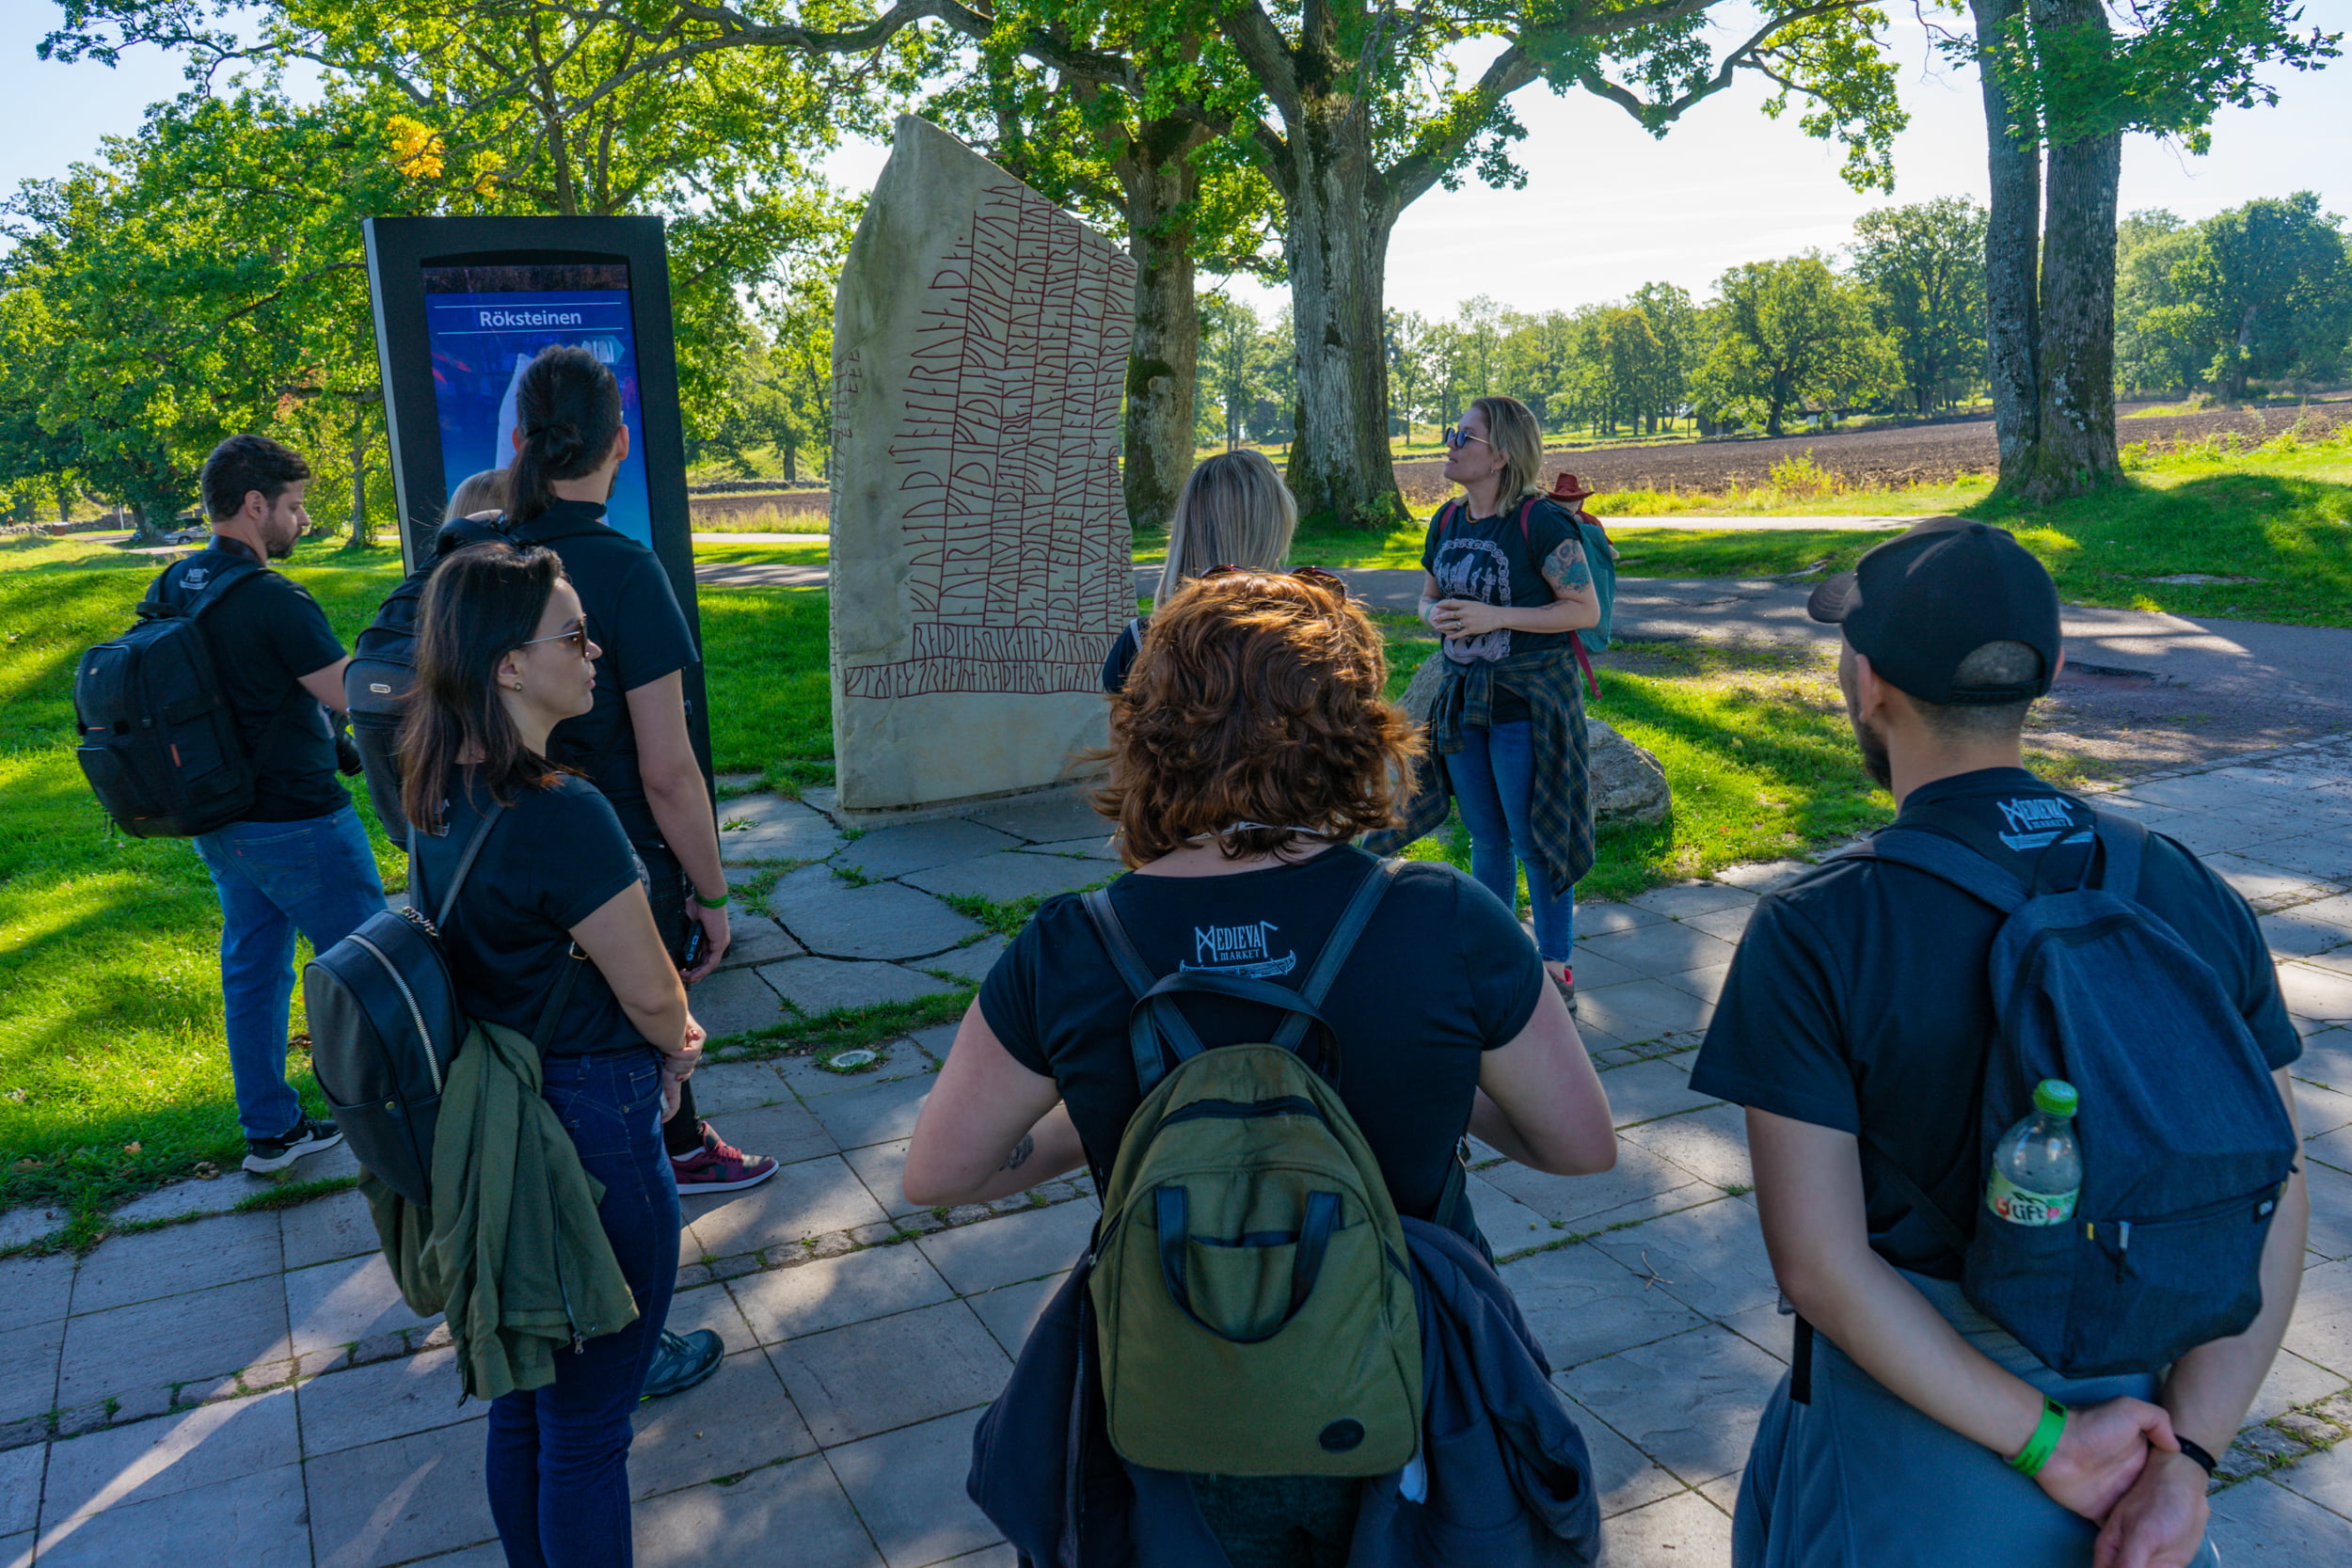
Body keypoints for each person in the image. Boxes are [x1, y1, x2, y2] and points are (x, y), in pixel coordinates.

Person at [906, 570, 1617, 1567]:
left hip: (1174, 1381)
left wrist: (1117, 1114)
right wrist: (1434, 1070)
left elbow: (940, 1172)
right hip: (1410, 1378)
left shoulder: (1074, 943)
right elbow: (1578, 1146)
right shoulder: (1445, 919)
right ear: (1358, 724)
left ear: (1146, 729)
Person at [1689, 518, 2310, 1567]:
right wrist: (2188, 1459)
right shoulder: (2186, 887)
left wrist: (2051, 1443)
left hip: (1917, 1441)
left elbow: (1822, 1267)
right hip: (2147, 1444)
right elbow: (2275, 1189)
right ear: (2051, 671)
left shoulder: (1821, 927)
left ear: (1866, 678)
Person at [400, 541, 705, 1568]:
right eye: (572, 633)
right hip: (597, 1133)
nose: (595, 648)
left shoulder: (437, 790)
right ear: (508, 666)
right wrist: (682, 1042)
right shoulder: (566, 813)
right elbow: (653, 990)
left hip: (506, 1129)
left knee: (527, 1407)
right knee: (587, 1431)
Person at [491, 347, 776, 1201]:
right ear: (621, 443)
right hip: (614, 859)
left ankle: (583, 1180)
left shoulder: (481, 561)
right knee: (637, 1046)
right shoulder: (624, 571)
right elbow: (669, 769)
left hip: (496, 854)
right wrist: (715, 896)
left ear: (518, 441)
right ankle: (644, 1193)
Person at [171, 435, 385, 1173]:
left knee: (255, 971)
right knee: (375, 968)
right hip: (300, 821)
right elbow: (349, 694)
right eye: (294, 507)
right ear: (255, 505)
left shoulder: (178, 583)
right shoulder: (273, 598)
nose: (302, 521)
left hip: (220, 818)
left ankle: (270, 1128)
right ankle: (405, 1120)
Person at [1415, 396, 1598, 1003]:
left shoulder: (1541, 522)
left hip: (1527, 706)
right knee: (1485, 840)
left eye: (1463, 436)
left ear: (1500, 455)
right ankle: (1495, 960)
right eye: (1453, 433)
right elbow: (1426, 599)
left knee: (1536, 841)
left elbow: (1583, 609)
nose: (1450, 443)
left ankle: (1553, 969)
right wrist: (1434, 615)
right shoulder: (1446, 520)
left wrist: (1495, 614)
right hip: (1465, 701)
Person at [1101, 448, 1297, 692]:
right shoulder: (1311, 639)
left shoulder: (1139, 644)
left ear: (1186, 528)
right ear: (1274, 529)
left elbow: (1120, 728)